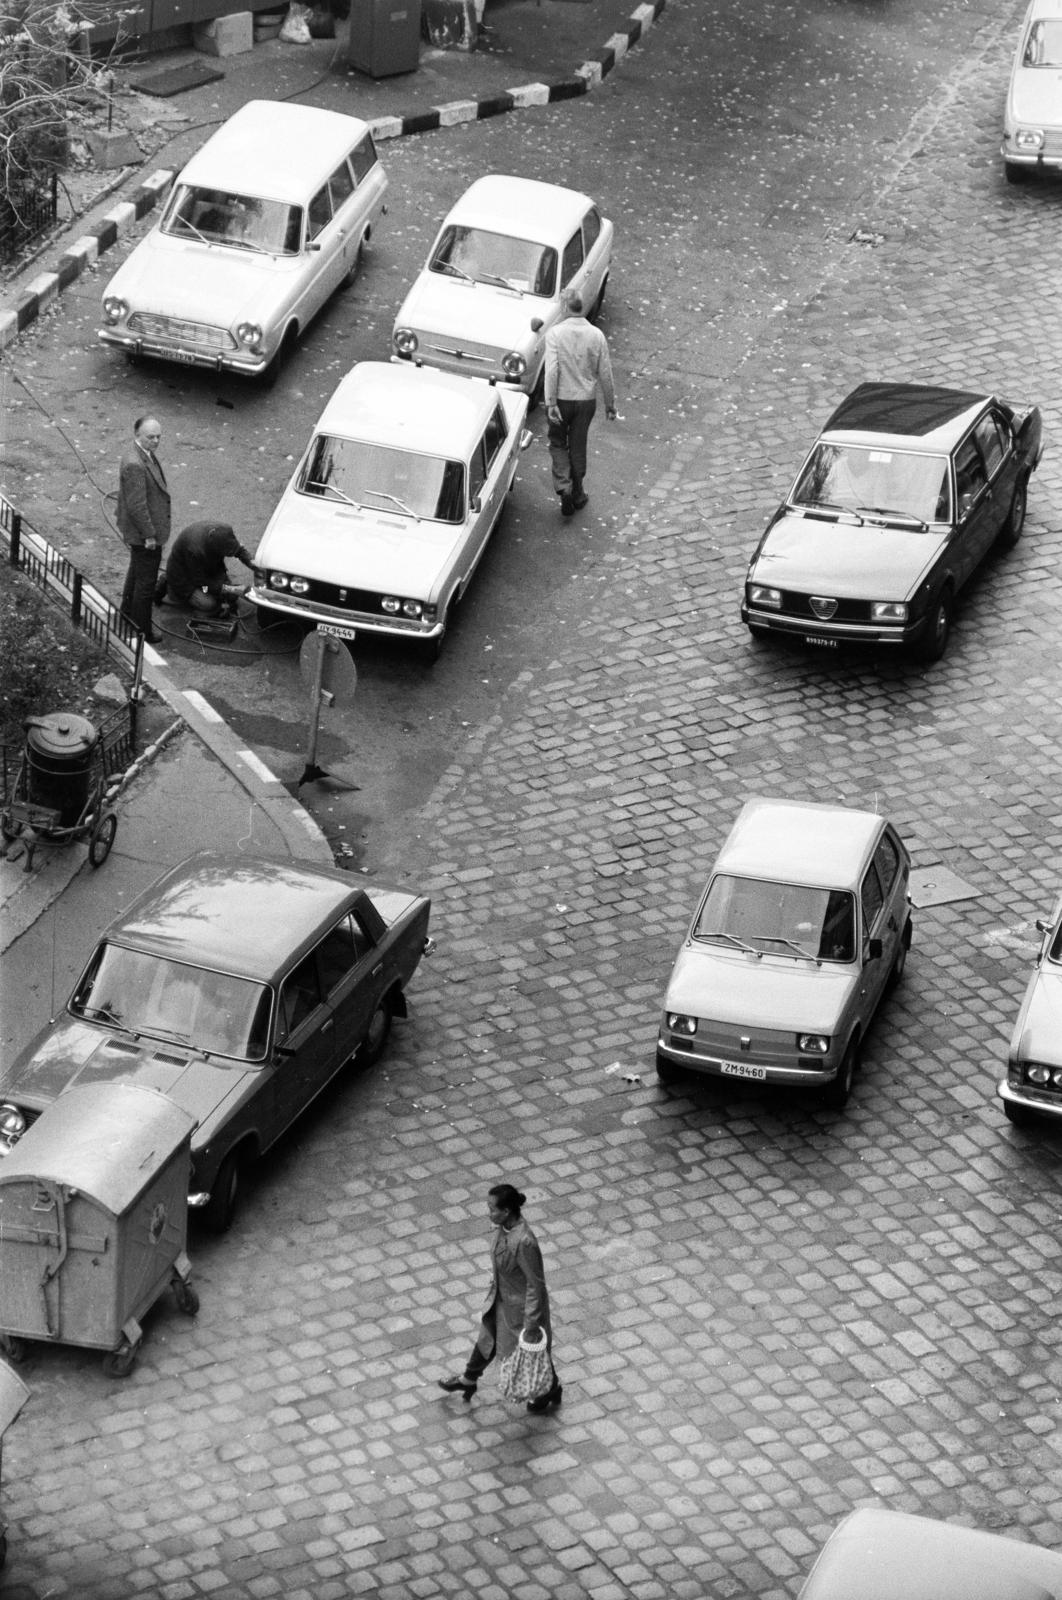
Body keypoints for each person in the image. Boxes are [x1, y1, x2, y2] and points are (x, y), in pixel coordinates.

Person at [438, 1183, 562, 1413]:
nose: (489, 1213)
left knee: (530, 1350)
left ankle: (550, 1387)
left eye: (493, 1209)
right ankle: (469, 1378)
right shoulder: (504, 1229)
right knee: (488, 1338)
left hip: (521, 1311)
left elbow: (536, 1285)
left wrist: (532, 1322)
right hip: (501, 1300)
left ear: (506, 1212)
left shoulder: (524, 1242)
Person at [544, 291, 617, 518]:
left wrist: (550, 402)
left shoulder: (555, 334)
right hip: (586, 400)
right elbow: (605, 372)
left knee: (557, 442)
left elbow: (552, 370)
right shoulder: (596, 335)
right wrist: (610, 403)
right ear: (581, 307)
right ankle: (577, 492)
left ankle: (564, 485)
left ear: (566, 307)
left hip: (562, 398)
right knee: (578, 445)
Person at [117, 415, 171, 644]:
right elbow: (137, 505)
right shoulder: (135, 464)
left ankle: (127, 614)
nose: (156, 441)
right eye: (151, 437)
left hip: (143, 531)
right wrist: (149, 534)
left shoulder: (141, 454)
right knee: (146, 584)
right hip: (145, 534)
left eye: (158, 436)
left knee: (137, 572)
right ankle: (142, 630)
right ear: (137, 435)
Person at [156, 520, 254, 615]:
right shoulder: (195, 550)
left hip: (209, 570)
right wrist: (228, 588)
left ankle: (220, 593)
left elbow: (239, 551)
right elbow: (201, 581)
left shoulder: (224, 532)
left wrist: (255, 566)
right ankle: (170, 585)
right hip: (188, 579)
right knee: (209, 604)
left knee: (231, 596)